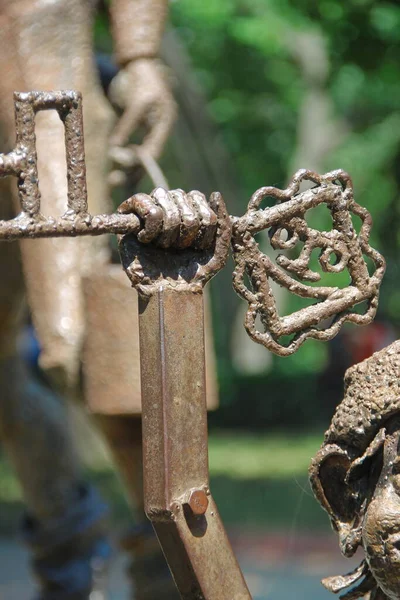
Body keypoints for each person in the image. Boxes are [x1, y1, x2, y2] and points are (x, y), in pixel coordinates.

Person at [0, 1, 178, 598]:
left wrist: (141, 56)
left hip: (51, 109)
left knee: (77, 348)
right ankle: (70, 560)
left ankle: (172, 557)